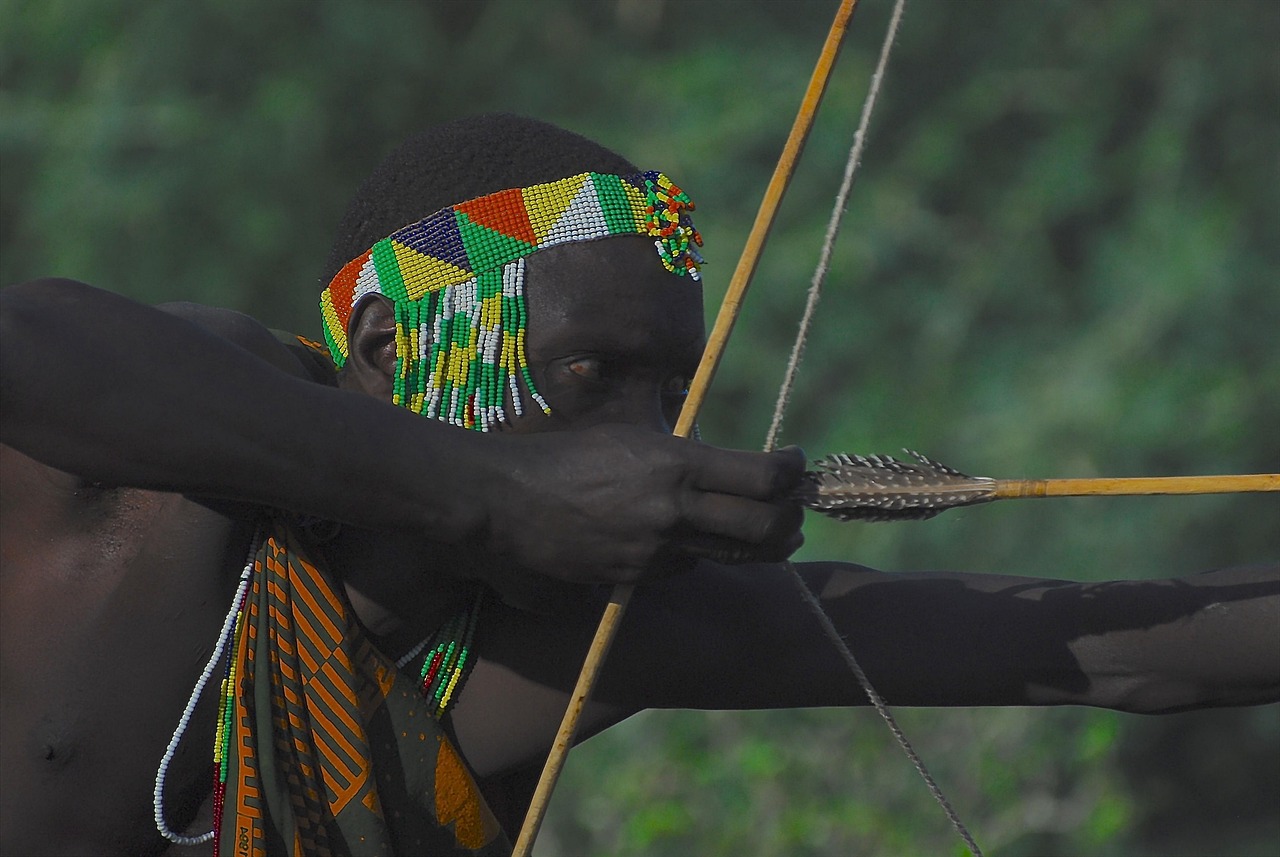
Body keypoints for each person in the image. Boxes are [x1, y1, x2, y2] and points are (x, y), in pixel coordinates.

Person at [1, 114, 1275, 856]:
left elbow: (1126, 649)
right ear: (391, 350)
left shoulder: (572, 639)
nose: (646, 439)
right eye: (587, 372)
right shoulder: (149, 459)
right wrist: (498, 492)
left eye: (666, 393)